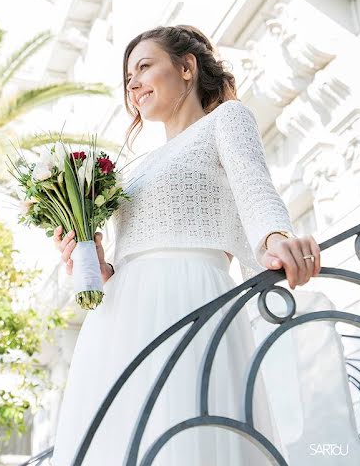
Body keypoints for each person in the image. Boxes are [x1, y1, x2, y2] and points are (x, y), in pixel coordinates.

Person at [49, 25, 322, 465]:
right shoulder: (130, 169)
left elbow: (255, 191)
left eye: (143, 66)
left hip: (188, 293)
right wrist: (98, 265)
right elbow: (126, 252)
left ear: (187, 67)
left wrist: (277, 238)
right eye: (127, 78)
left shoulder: (226, 120)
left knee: (188, 434)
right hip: (120, 312)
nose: (133, 83)